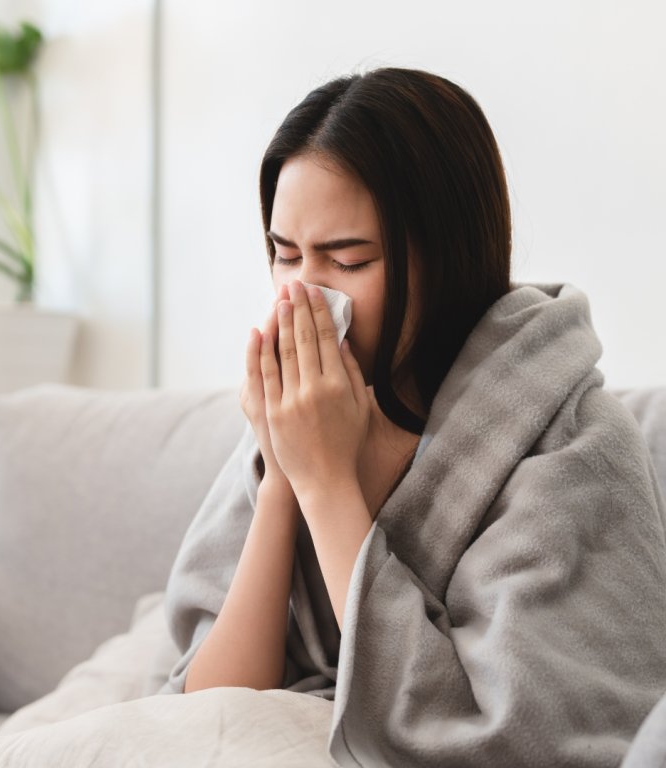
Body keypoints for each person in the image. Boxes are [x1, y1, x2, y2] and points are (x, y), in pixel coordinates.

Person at [159, 68, 666, 767]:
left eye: (348, 258)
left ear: (448, 257)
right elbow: (210, 707)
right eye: (284, 255)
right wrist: (286, 475)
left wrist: (331, 488)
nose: (304, 296)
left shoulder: (573, 445)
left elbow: (510, 738)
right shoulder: (306, 418)